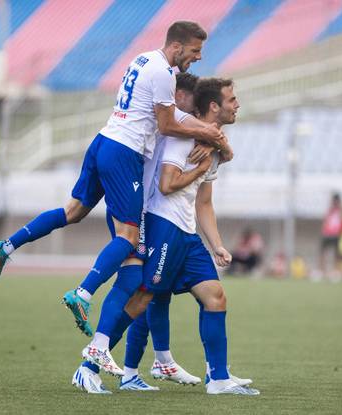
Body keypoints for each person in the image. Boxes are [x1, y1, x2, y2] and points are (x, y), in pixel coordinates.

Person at [0, 21, 223, 337]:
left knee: (73, 211)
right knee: (129, 236)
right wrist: (205, 130)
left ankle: (6, 247)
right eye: (195, 51)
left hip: (103, 141)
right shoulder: (164, 73)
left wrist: (210, 135)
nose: (198, 58)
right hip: (125, 152)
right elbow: (166, 125)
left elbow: (166, 116)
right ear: (177, 47)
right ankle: (82, 294)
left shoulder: (142, 59)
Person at [81, 78, 259, 395]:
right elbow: (166, 184)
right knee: (144, 297)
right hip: (163, 225)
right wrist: (206, 158)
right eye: (232, 99)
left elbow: (203, 201)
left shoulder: (214, 145)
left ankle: (218, 379)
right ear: (214, 107)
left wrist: (216, 244)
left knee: (215, 296)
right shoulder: (184, 138)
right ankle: (91, 365)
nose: (237, 104)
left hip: (187, 233)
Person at [318, 192, 342, 278]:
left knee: (336, 254)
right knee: (322, 252)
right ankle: (322, 271)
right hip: (327, 233)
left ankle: (336, 271)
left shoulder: (340, 210)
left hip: (336, 234)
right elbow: (326, 221)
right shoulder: (330, 210)